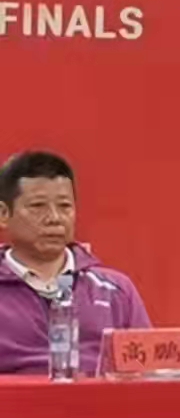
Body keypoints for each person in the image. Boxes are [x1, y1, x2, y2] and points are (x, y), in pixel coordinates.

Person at [0, 151, 150, 376]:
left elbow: (148, 373)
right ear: (3, 214)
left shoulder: (116, 291)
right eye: (38, 206)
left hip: (98, 398)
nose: (54, 218)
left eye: (64, 206)